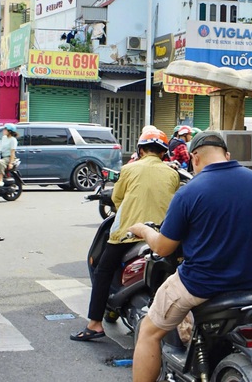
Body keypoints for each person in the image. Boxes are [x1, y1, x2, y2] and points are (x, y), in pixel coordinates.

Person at [128, 131, 252, 382]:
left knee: (149, 332)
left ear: (194, 158)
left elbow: (164, 248)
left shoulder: (189, 192)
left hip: (201, 284)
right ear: (227, 155)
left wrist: (143, 230)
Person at [71, 128, 180, 342]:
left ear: (140, 150)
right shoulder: (172, 173)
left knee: (103, 272)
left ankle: (94, 324)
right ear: (163, 153)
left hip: (130, 234)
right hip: (161, 236)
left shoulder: (130, 169)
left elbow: (118, 199)